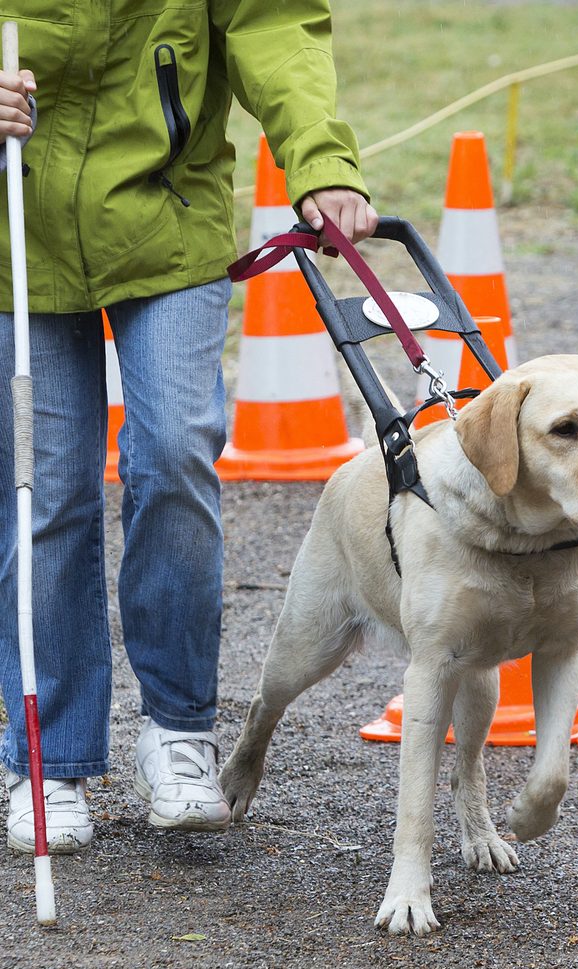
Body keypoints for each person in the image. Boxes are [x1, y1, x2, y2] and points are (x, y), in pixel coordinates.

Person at [0, 2, 377, 853]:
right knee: (47, 485)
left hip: (167, 219)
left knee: (174, 451)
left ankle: (177, 730)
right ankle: (47, 758)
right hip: (13, 227)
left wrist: (320, 160)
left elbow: (274, 26)